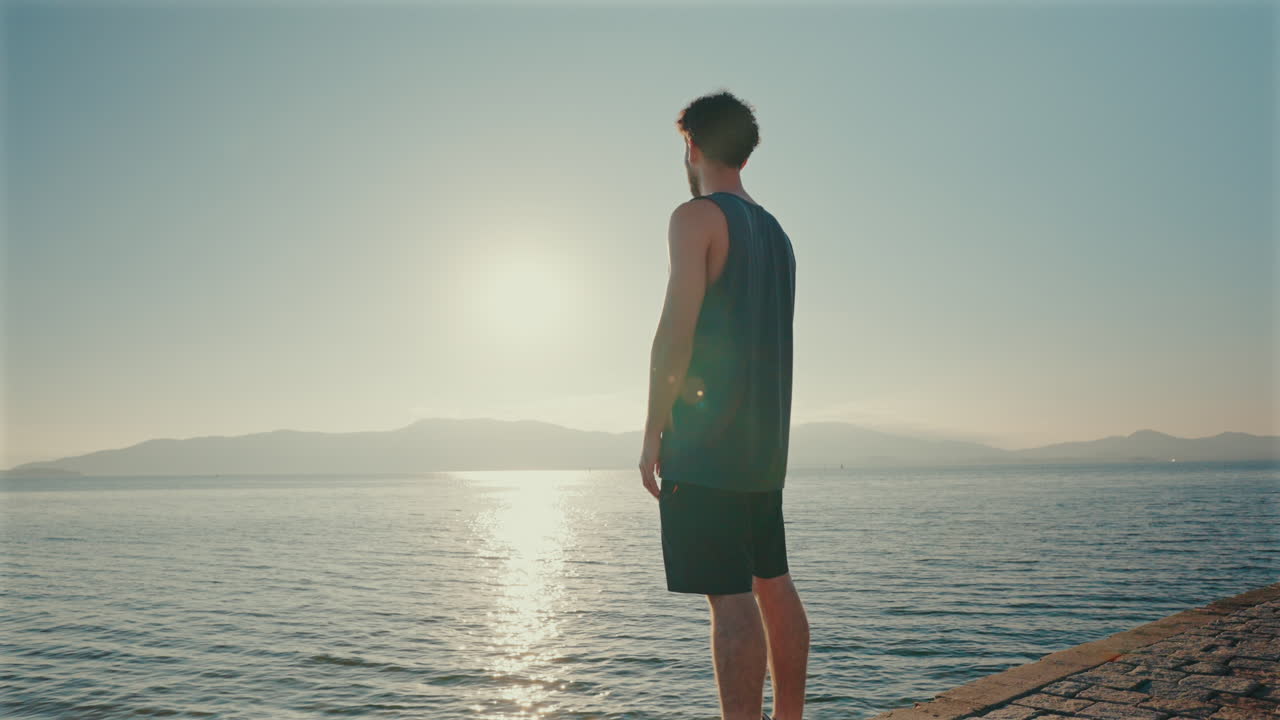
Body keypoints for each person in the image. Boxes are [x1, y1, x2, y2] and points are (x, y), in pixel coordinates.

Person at [638, 89, 809, 720]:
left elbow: (675, 332)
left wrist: (654, 431)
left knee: (730, 599)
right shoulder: (778, 236)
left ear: (692, 145)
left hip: (707, 446)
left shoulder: (696, 218)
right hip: (766, 450)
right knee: (774, 584)